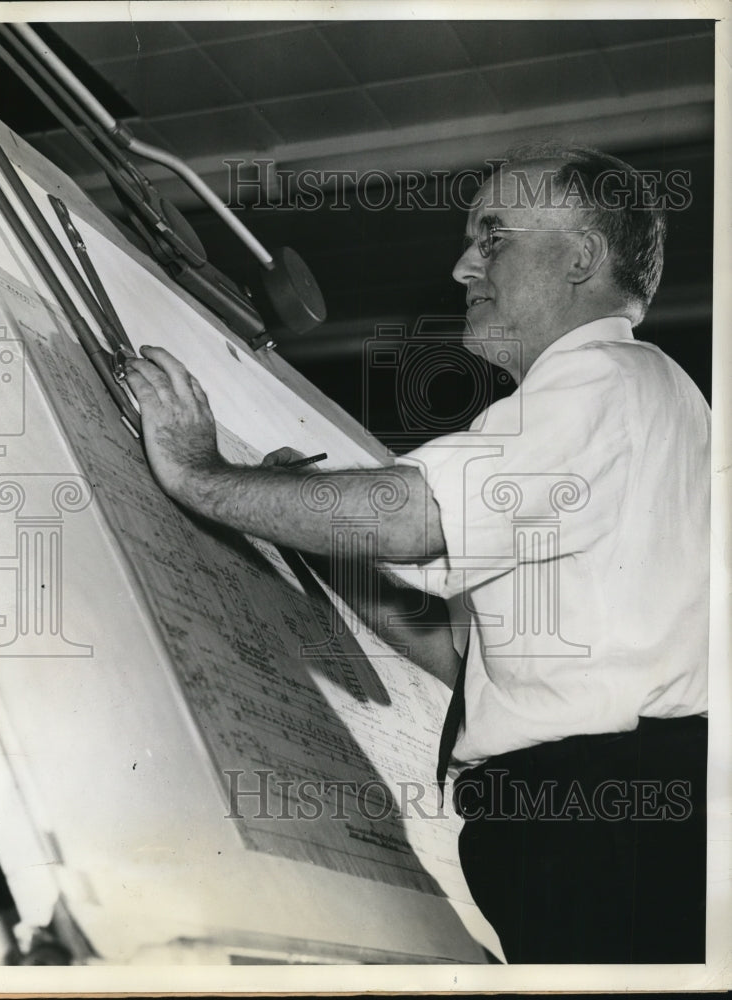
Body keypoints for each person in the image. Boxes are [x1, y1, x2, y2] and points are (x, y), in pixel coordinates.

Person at [124, 144, 709, 964]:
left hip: (599, 832)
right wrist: (322, 545)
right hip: (605, 820)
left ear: (580, 257)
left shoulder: (600, 379)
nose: (464, 264)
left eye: (494, 234)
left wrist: (200, 475)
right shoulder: (638, 404)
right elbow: (462, 657)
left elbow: (412, 516)